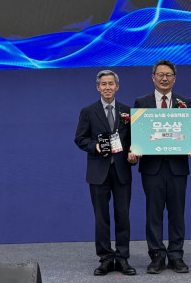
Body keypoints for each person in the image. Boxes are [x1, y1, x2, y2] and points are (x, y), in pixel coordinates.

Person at [75, 70, 137, 276]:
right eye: (104, 84)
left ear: (117, 87)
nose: (107, 87)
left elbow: (134, 139)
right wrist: (95, 147)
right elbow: (80, 138)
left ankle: (122, 257)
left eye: (111, 84)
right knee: (101, 217)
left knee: (123, 216)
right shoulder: (88, 111)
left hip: (121, 170)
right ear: (98, 87)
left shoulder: (127, 111)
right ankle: (105, 258)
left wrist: (133, 151)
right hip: (98, 171)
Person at [133, 60, 191, 274]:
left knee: (177, 214)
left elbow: (189, 133)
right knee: (153, 214)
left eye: (169, 75)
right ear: (153, 77)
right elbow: (137, 133)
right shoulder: (142, 102)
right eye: (160, 74)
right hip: (152, 168)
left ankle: (176, 255)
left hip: (177, 167)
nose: (164, 78)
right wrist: (134, 148)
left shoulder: (185, 102)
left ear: (174, 78)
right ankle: (156, 255)